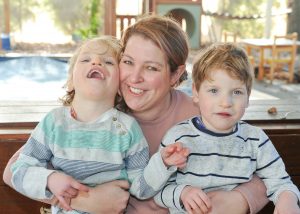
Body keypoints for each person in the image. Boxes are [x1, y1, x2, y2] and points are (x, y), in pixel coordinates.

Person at [3, 15, 269, 214]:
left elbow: (261, 168)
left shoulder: (200, 115)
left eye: (151, 68)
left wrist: (237, 200)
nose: (135, 78)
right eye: (128, 62)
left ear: (175, 75)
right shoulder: (99, 112)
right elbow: (15, 171)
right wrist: (87, 199)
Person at [9, 35, 189, 214]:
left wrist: (162, 163)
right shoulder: (54, 123)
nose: (96, 62)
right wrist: (49, 179)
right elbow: (19, 170)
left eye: (108, 62)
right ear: (71, 80)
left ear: (119, 85)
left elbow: (140, 189)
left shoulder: (127, 129)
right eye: (86, 59)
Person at [154, 43, 300, 214]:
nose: (226, 103)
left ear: (248, 97)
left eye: (237, 92)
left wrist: (287, 200)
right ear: (195, 92)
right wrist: (182, 193)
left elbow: (281, 183)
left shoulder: (256, 140)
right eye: (214, 90)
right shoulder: (178, 138)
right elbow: (159, 190)